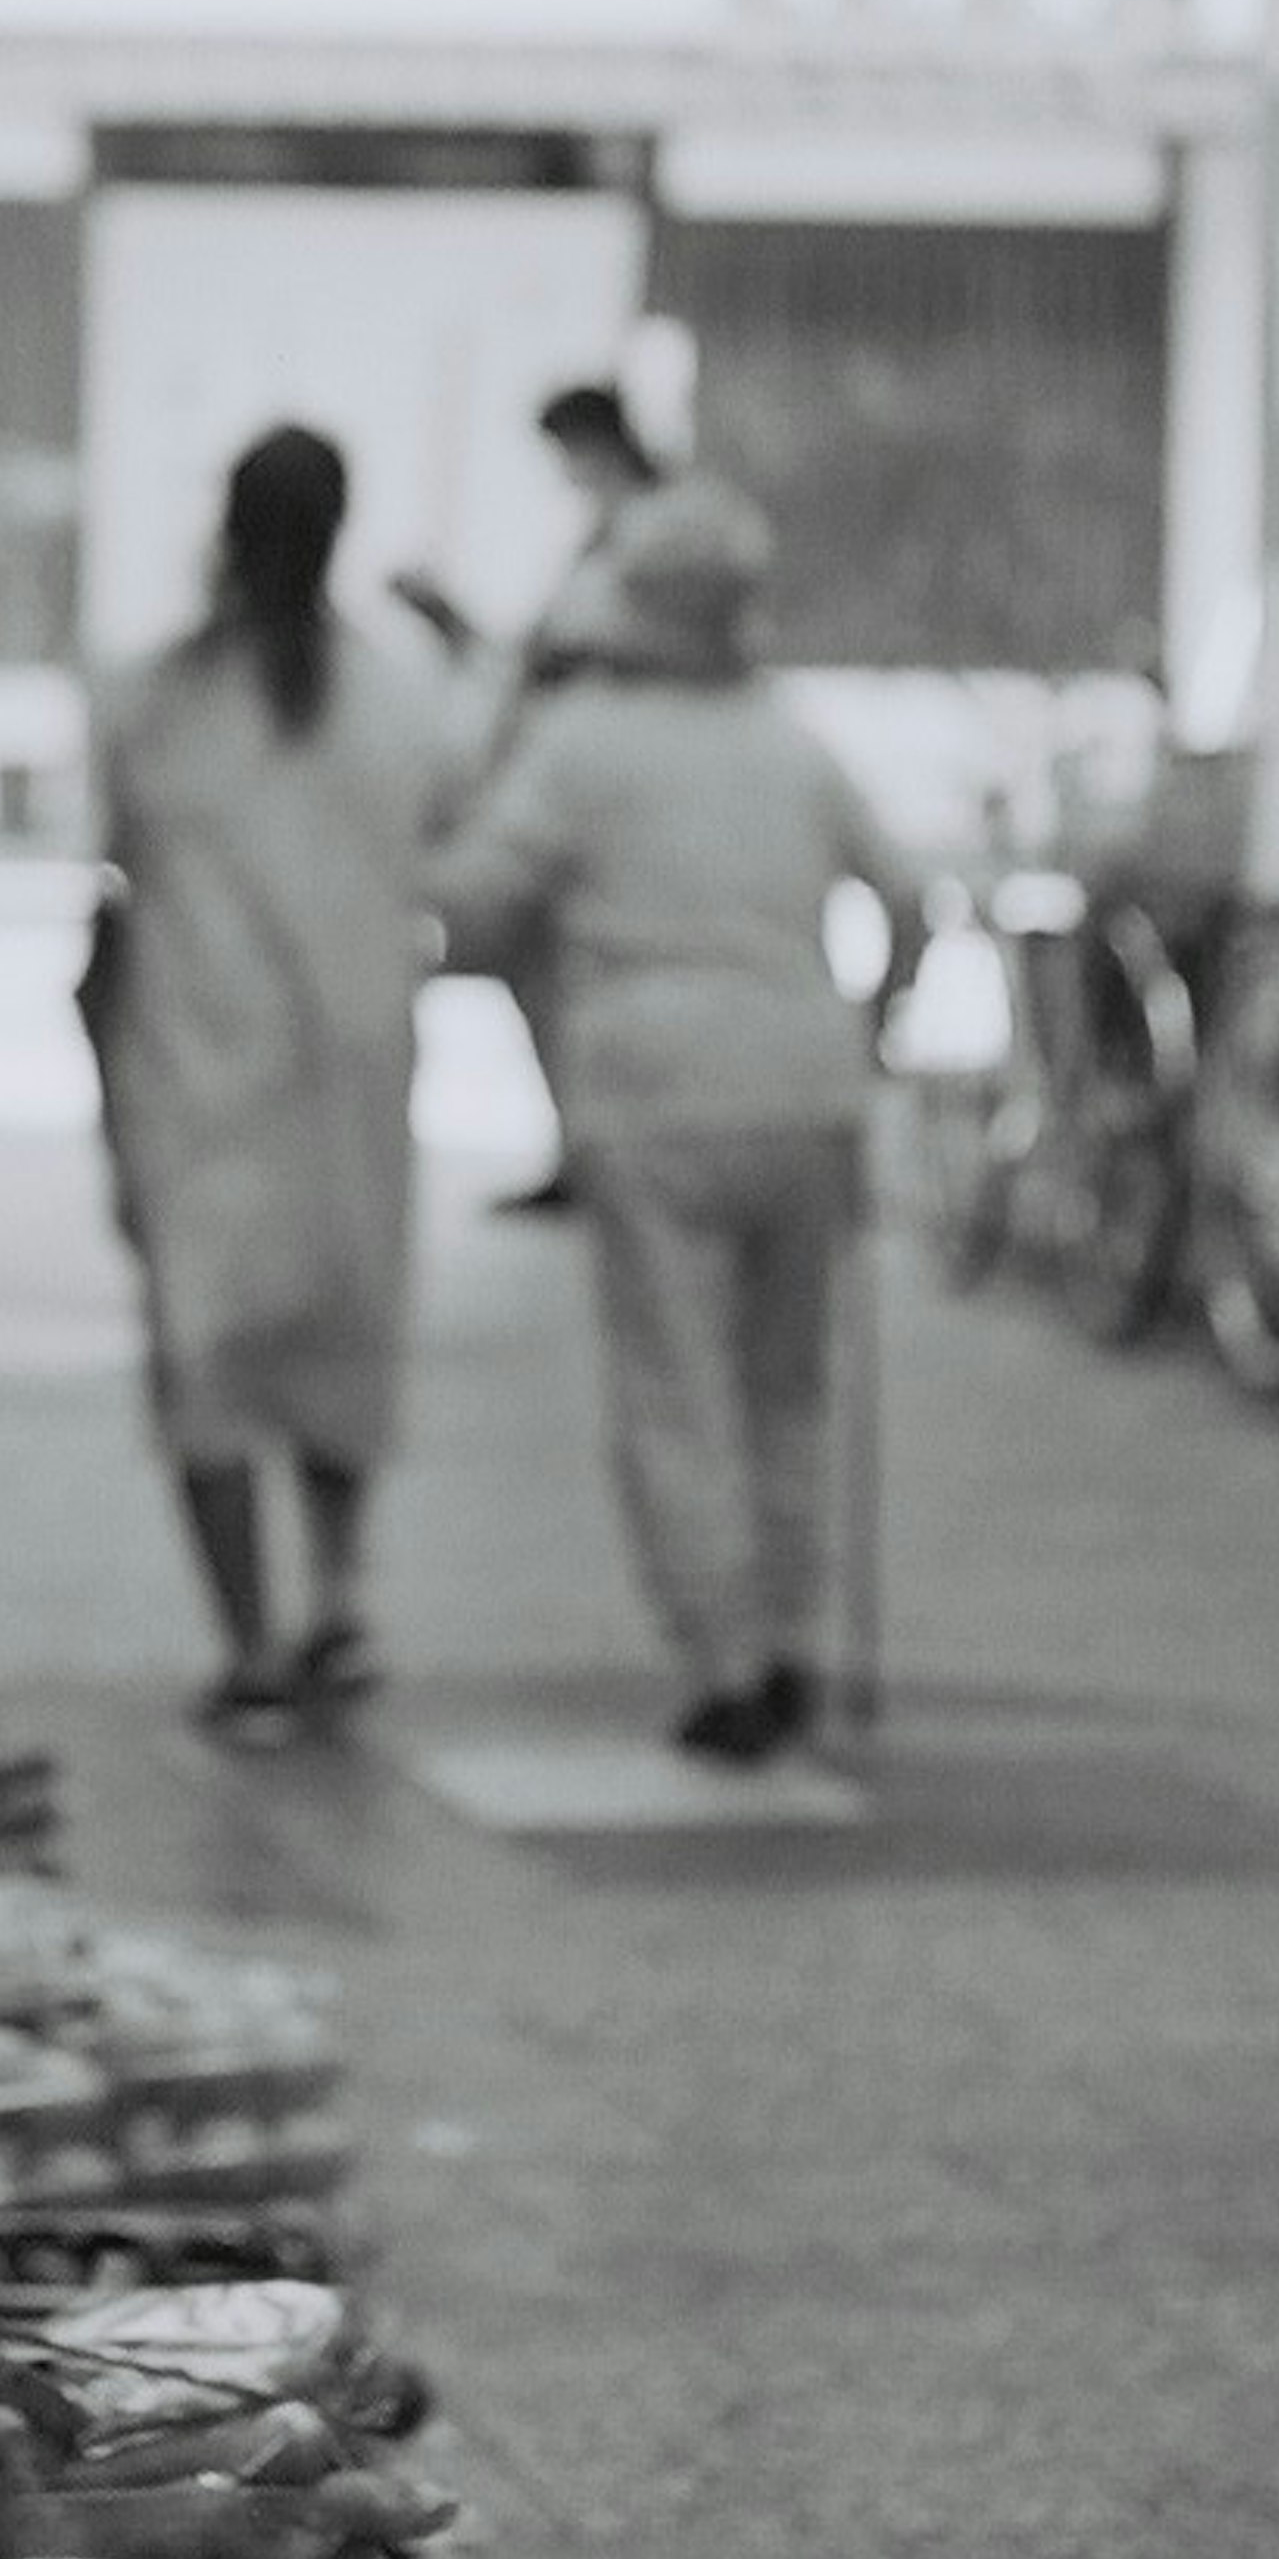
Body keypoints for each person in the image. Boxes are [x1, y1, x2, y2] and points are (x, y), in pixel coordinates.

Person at [431, 477, 919, 1764]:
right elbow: (910, 903)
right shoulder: (789, 737)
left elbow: (476, 902)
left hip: (652, 1087)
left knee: (676, 1384)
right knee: (792, 1384)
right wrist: (872, 1032)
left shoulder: (585, 739)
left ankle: (724, 1660)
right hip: (806, 1082)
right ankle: (798, 1639)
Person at [94, 424, 465, 1742]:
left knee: (208, 1357)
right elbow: (462, 855)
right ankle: (342, 1600)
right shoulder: (399, 696)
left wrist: (102, 1088)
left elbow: (112, 897)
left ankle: (250, 1639)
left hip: (194, 1068)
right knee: (339, 1336)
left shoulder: (149, 697)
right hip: (352, 1073)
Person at [393, 318, 708, 1210]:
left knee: (572, 972)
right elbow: (535, 661)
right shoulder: (609, 538)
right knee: (552, 974)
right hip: (582, 780)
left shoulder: (652, 538)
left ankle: (606, 1147)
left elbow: (577, 658)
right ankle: (588, 1145)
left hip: (623, 792)